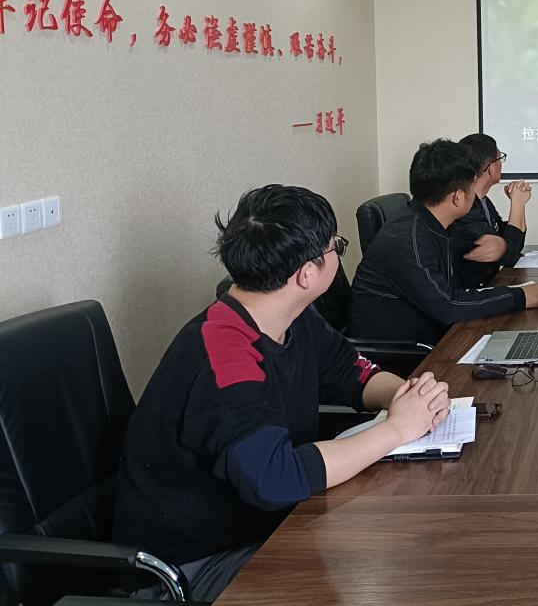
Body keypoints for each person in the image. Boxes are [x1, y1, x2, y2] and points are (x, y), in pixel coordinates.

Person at [112, 185, 452, 601]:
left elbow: (350, 373)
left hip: (266, 525)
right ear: (306, 274)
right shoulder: (223, 351)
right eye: (336, 247)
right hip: (192, 566)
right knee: (386, 569)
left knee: (404, 548)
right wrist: (397, 430)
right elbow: (273, 478)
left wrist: (409, 397)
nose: (338, 254)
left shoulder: (289, 316)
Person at [349, 139, 538, 348]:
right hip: (403, 353)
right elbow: (448, 305)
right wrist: (520, 297)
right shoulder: (410, 239)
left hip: (434, 331)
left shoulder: (430, 220)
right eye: (472, 187)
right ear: (457, 198)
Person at [451, 133, 531, 288]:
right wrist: (517, 203)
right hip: (475, 291)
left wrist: (519, 204)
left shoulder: (483, 200)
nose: (501, 164)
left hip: (490, 284)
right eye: (500, 158)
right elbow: (508, 256)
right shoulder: (464, 208)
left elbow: (512, 244)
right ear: (490, 167)